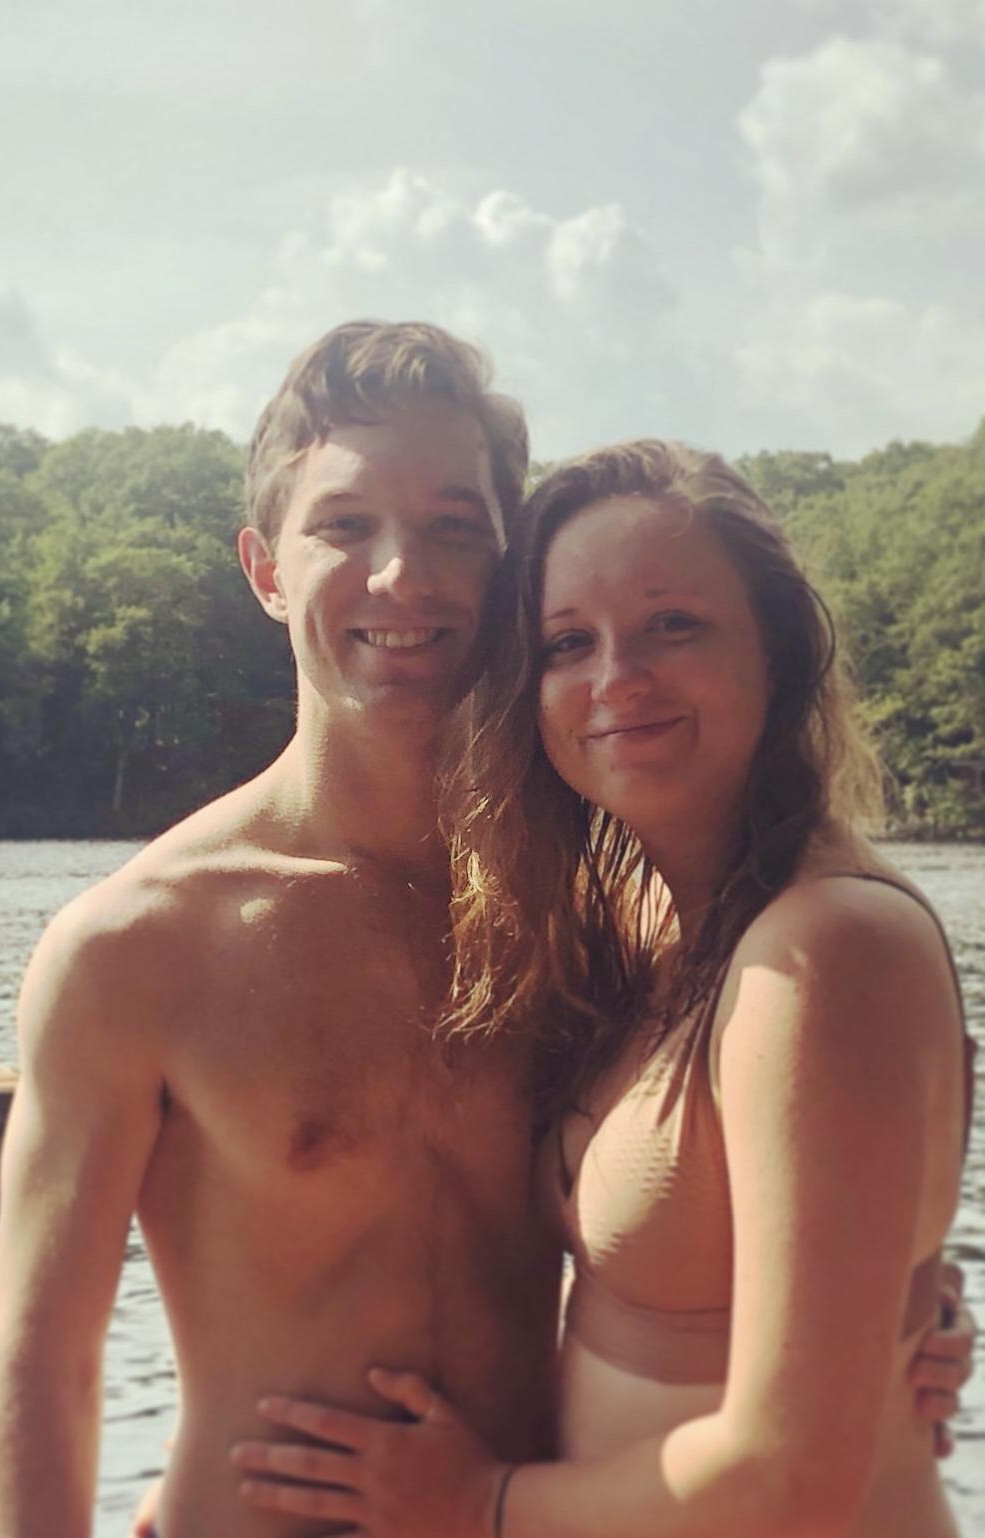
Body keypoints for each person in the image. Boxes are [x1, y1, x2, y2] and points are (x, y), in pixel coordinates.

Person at [230, 440, 974, 1536]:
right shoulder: (645, 924)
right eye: (566, 642)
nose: (616, 676)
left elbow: (797, 1469)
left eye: (673, 624)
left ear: (773, 649)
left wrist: (479, 1503)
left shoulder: (824, 952)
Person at [0, 321, 563, 1538]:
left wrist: (882, 1300)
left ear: (511, 567)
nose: (403, 574)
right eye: (345, 524)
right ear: (264, 568)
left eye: (455, 526)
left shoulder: (586, 905)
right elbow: (44, 1361)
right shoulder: (139, 944)